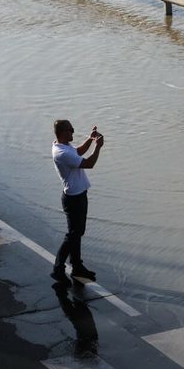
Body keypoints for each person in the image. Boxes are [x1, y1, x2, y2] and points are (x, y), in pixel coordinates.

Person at [51, 119, 103, 287]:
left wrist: (90, 139)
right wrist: (98, 147)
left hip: (78, 195)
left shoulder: (63, 146)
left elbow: (78, 152)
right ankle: (58, 268)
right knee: (73, 234)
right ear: (62, 133)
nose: (73, 132)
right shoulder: (62, 153)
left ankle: (77, 266)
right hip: (74, 198)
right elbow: (89, 163)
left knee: (77, 233)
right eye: (70, 130)